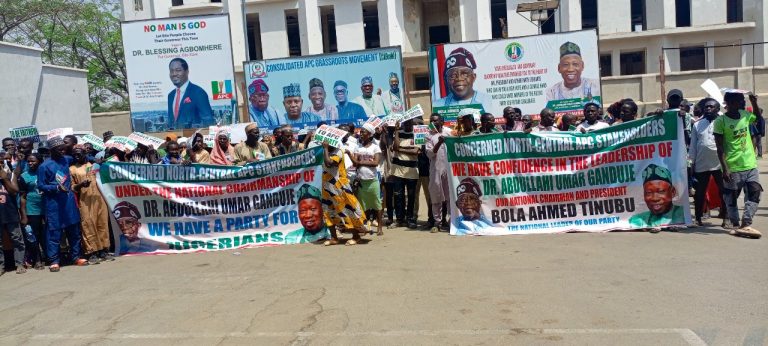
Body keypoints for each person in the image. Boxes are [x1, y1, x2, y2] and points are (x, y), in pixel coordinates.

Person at [714, 91, 763, 238]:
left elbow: (758, 118)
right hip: (732, 166)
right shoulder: (721, 122)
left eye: (743, 101)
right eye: (739, 101)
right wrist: (725, 168)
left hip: (750, 164)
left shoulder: (744, 114)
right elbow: (719, 147)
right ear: (728, 104)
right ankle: (735, 224)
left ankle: (746, 222)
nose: (743, 103)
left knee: (755, 191)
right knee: (731, 197)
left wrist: (753, 102)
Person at [37, 137, 87, 271]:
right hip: (53, 204)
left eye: (63, 149)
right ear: (51, 150)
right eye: (59, 149)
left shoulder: (67, 159)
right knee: (54, 233)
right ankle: (54, 261)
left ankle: (76, 257)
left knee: (74, 231)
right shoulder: (44, 166)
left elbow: (81, 159)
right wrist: (56, 188)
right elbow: (41, 186)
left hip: (68, 202)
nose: (62, 151)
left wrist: (97, 160)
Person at [70, 146, 112, 265]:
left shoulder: (93, 165)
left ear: (85, 153)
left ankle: (104, 250)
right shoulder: (72, 169)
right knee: (88, 224)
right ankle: (92, 252)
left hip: (99, 198)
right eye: (74, 154)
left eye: (79, 153)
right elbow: (72, 187)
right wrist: (81, 185)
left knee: (102, 223)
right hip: (85, 201)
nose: (76, 156)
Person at [320, 141, 367, 246]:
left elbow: (329, 163)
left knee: (347, 211)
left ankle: (356, 236)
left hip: (339, 188)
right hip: (327, 188)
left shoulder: (339, 152)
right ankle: (334, 238)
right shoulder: (325, 152)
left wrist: (326, 148)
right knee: (328, 212)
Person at [690, 98, 726, 226]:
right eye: (706, 107)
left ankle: (726, 217)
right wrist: (692, 164)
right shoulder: (697, 125)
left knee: (723, 191)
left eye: (711, 107)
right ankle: (698, 217)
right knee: (699, 193)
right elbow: (693, 146)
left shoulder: (723, 122)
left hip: (720, 164)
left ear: (718, 109)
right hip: (702, 164)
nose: (708, 109)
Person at [433, 47, 493, 112]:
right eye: (453, 75)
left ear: (473, 77)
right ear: (445, 80)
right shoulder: (437, 105)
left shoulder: (487, 100)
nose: (459, 79)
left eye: (464, 74)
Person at [628, 164, 686, 229]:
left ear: (672, 192)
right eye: (649, 192)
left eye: (661, 191)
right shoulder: (637, 219)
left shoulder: (684, 214)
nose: (655, 198)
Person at [350, 125, 383, 236]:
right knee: (363, 205)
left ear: (370, 134)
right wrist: (350, 155)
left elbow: (376, 163)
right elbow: (355, 163)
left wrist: (360, 162)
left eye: (364, 132)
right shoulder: (357, 147)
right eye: (361, 132)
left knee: (377, 204)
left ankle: (379, 226)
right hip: (361, 180)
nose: (361, 133)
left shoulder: (375, 147)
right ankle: (364, 226)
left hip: (372, 180)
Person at [166, 58, 214, 130]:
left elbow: (208, 121)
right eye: (171, 71)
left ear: (187, 72)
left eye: (178, 70)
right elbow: (171, 122)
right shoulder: (171, 96)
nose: (174, 74)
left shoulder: (198, 92)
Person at [18, 152, 46, 269]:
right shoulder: (24, 176)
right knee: (34, 235)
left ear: (39, 161)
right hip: (32, 209)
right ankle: (37, 260)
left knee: (47, 234)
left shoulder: (45, 172)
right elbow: (23, 197)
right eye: (28, 161)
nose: (30, 163)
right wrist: (23, 215)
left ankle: (51, 257)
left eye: (33, 161)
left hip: (47, 208)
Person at [390, 119, 420, 229]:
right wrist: (397, 131)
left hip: (412, 171)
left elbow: (415, 151)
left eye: (409, 123)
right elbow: (395, 147)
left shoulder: (417, 135)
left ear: (412, 123)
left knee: (411, 197)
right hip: (398, 171)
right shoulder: (399, 133)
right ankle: (399, 220)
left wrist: (400, 149)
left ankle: (410, 219)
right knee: (398, 196)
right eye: (405, 123)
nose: (407, 125)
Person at [425, 113, 452, 232]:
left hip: (449, 169)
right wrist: (440, 142)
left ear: (442, 121)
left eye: (436, 121)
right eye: (432, 121)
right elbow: (430, 154)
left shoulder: (450, 132)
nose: (434, 123)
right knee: (436, 195)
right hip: (435, 169)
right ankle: (437, 222)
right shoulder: (429, 135)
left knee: (450, 195)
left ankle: (452, 220)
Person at [0, 154, 26, 274]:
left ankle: (19, 263)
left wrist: (4, 179)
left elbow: (14, 192)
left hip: (10, 213)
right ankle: (1, 266)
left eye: (1, 162)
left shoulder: (10, 175)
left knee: (17, 239)